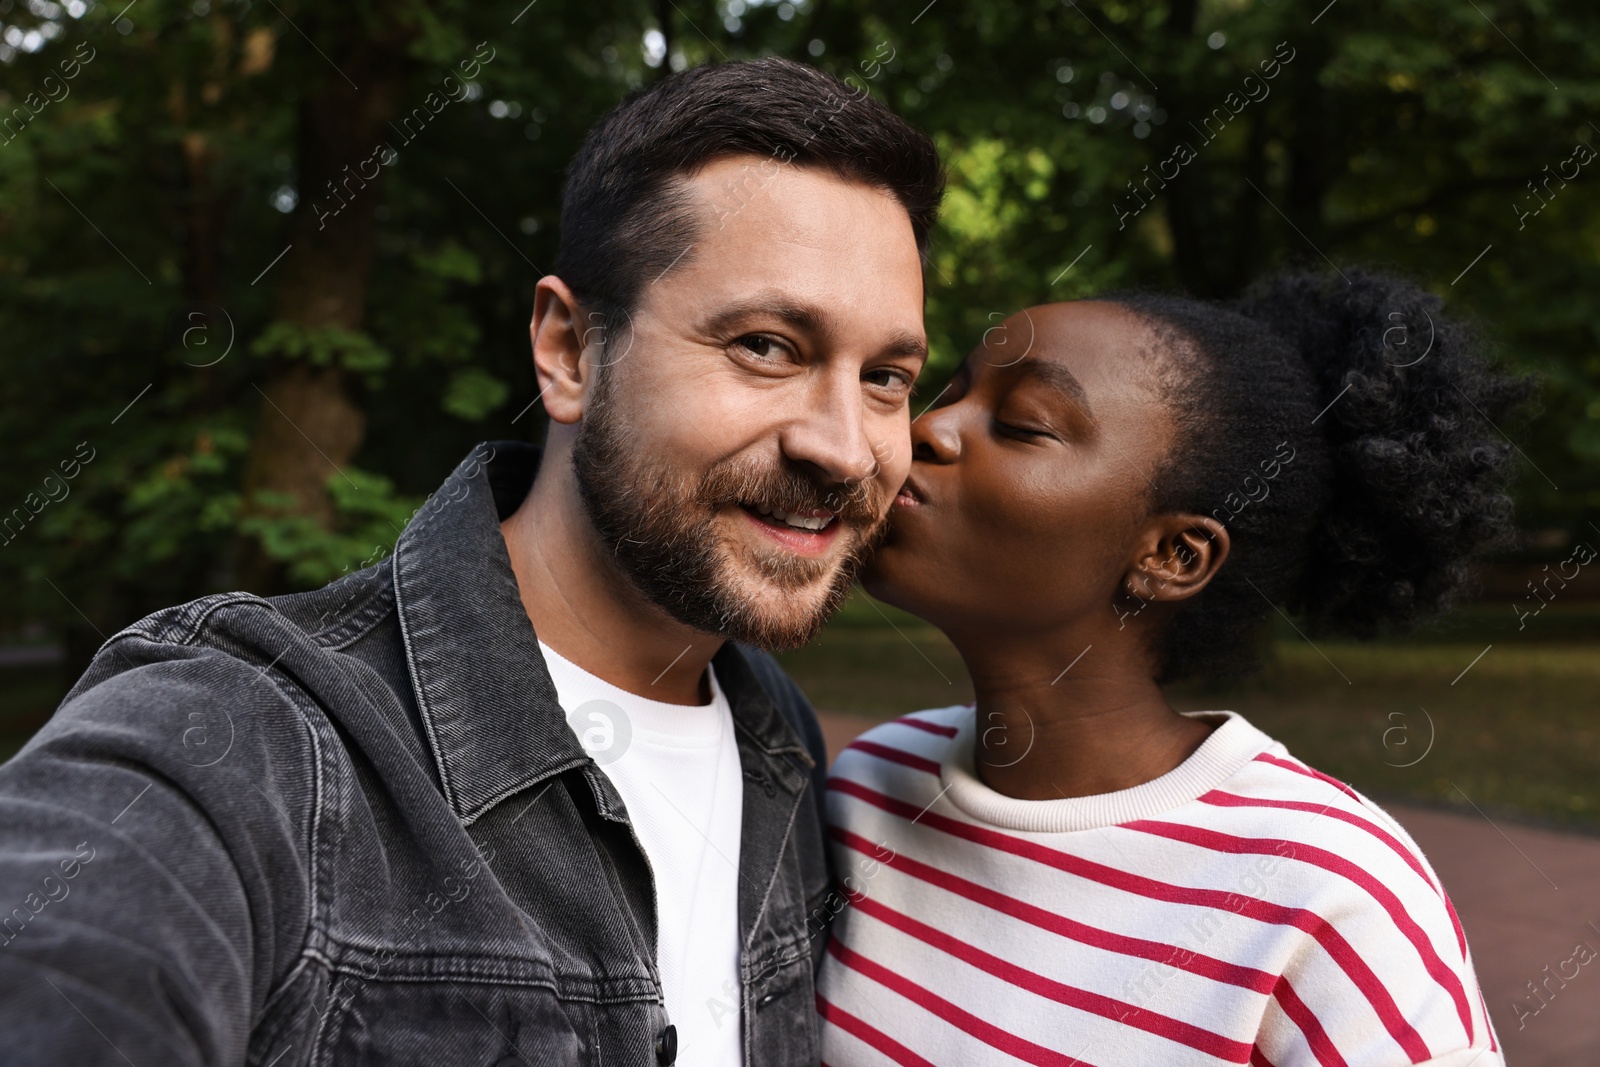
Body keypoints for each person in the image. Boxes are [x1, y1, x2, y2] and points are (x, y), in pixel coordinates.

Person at [0, 59, 943, 1066]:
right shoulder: (241, 739)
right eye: (766, 345)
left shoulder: (779, 737)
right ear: (570, 351)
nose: (845, 446)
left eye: (885, 376)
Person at [818, 270, 1523, 1065]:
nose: (928, 428)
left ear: (1171, 555)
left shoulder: (1327, 892)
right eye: (950, 389)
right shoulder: (869, 783)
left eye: (1021, 425)